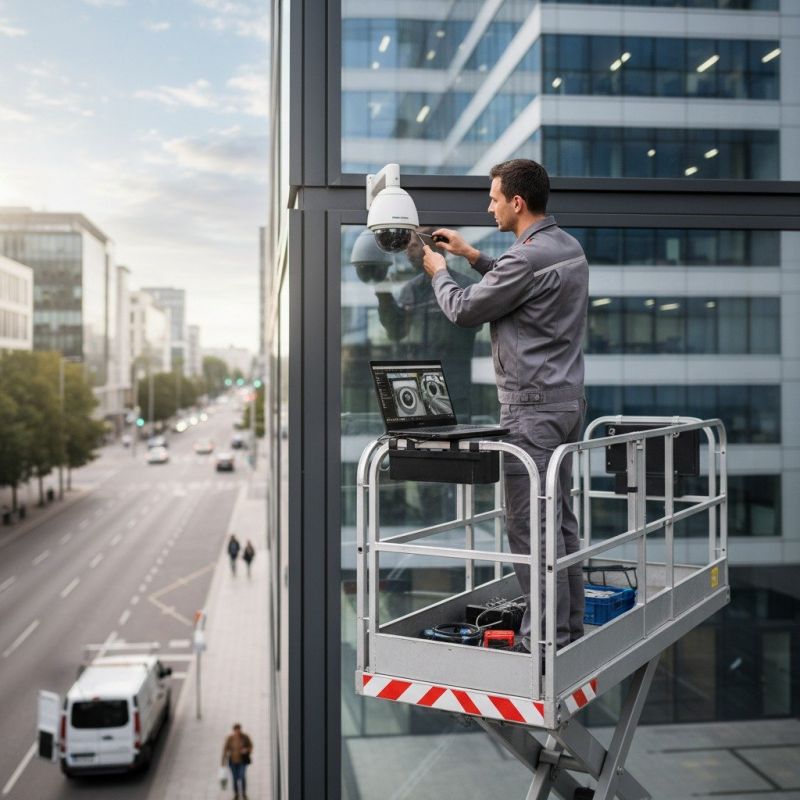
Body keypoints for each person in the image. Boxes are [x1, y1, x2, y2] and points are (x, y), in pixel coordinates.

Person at [421, 158, 588, 652]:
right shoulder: (566, 248)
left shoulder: (526, 258)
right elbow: (521, 287)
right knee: (559, 523)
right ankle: (568, 627)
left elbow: (465, 309)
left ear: (517, 202)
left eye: (493, 198)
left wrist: (439, 272)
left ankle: (544, 642)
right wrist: (474, 256)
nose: (488, 205)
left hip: (530, 411)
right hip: (565, 404)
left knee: (530, 528)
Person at [375, 225, 480, 417]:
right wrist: (384, 295)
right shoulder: (410, 290)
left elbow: (474, 322)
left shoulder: (464, 286)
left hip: (452, 392)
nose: (409, 248)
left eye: (416, 243)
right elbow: (396, 332)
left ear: (437, 247)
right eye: (409, 244)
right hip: (413, 391)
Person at [221, 722, 253, 800]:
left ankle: (244, 793)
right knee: (235, 778)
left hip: (242, 761)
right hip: (233, 761)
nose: (237, 732)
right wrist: (223, 761)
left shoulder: (245, 737)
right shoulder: (230, 738)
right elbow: (225, 750)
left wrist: (246, 750)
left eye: (238, 730)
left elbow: (250, 746)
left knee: (242, 776)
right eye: (236, 730)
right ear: (234, 731)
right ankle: (236, 794)